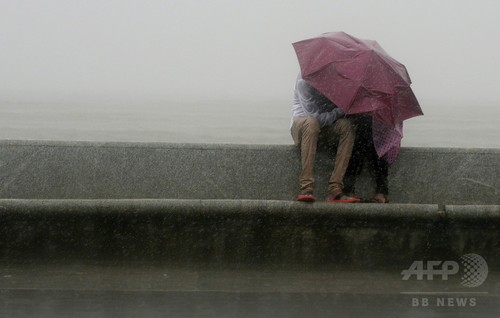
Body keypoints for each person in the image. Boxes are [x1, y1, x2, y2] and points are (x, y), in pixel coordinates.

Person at [290, 74, 360, 203]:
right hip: (302, 124)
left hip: (325, 127)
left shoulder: (338, 81)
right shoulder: (304, 80)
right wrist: (341, 110)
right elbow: (314, 117)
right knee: (311, 123)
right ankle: (306, 187)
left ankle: (335, 189)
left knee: (347, 126)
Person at [343, 114, 390, 203]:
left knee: (374, 138)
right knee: (365, 132)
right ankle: (382, 190)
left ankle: (349, 188)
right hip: (358, 130)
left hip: (376, 132)